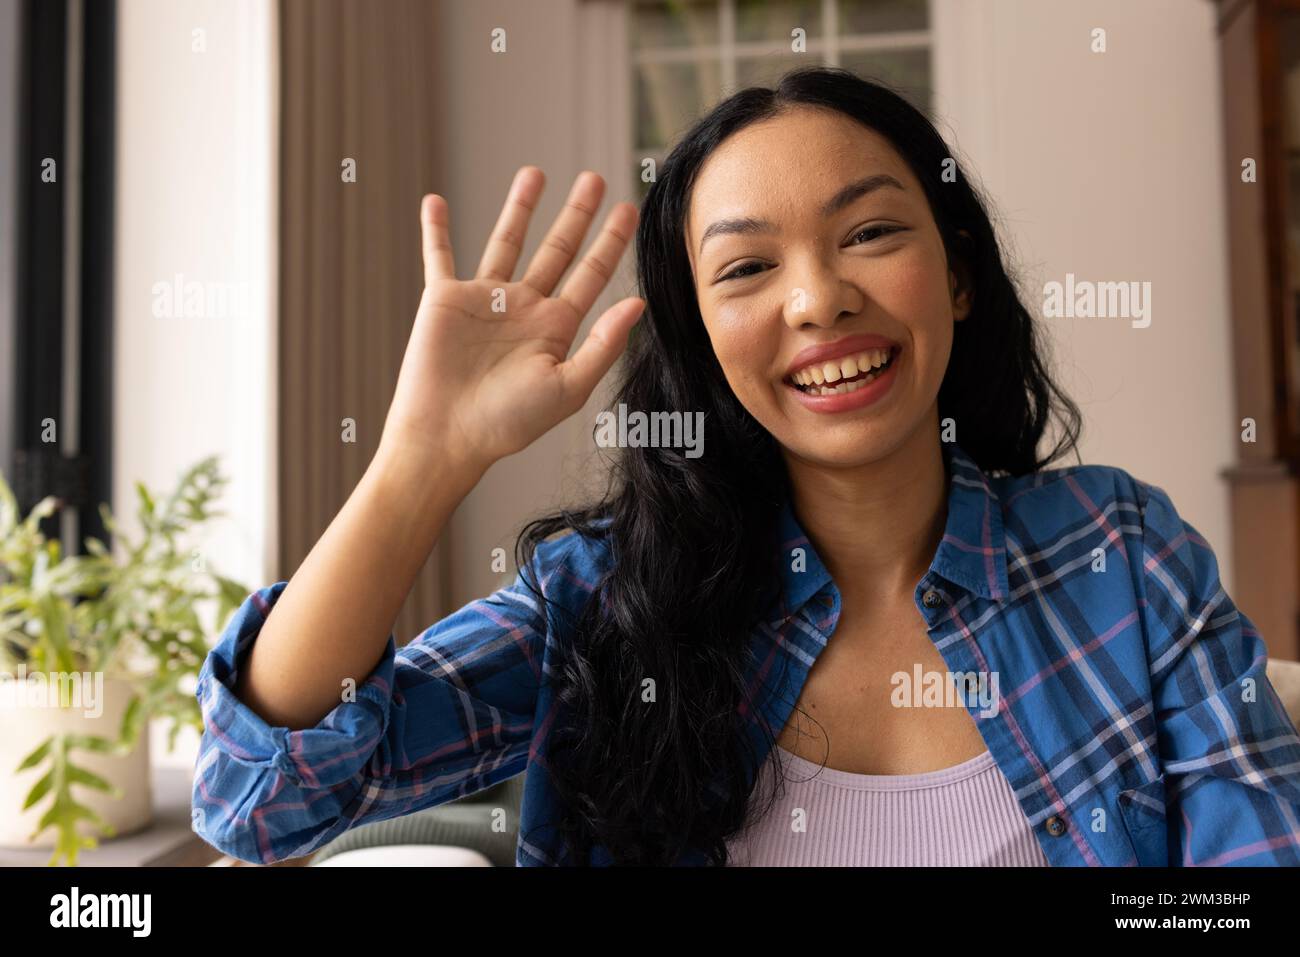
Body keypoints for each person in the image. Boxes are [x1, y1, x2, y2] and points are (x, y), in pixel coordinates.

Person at [192, 67, 1300, 866]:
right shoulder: (603, 601)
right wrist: (419, 462)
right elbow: (263, 802)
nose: (817, 299)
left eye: (868, 234)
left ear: (958, 276)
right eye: (748, 266)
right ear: (705, 346)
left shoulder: (1121, 552)